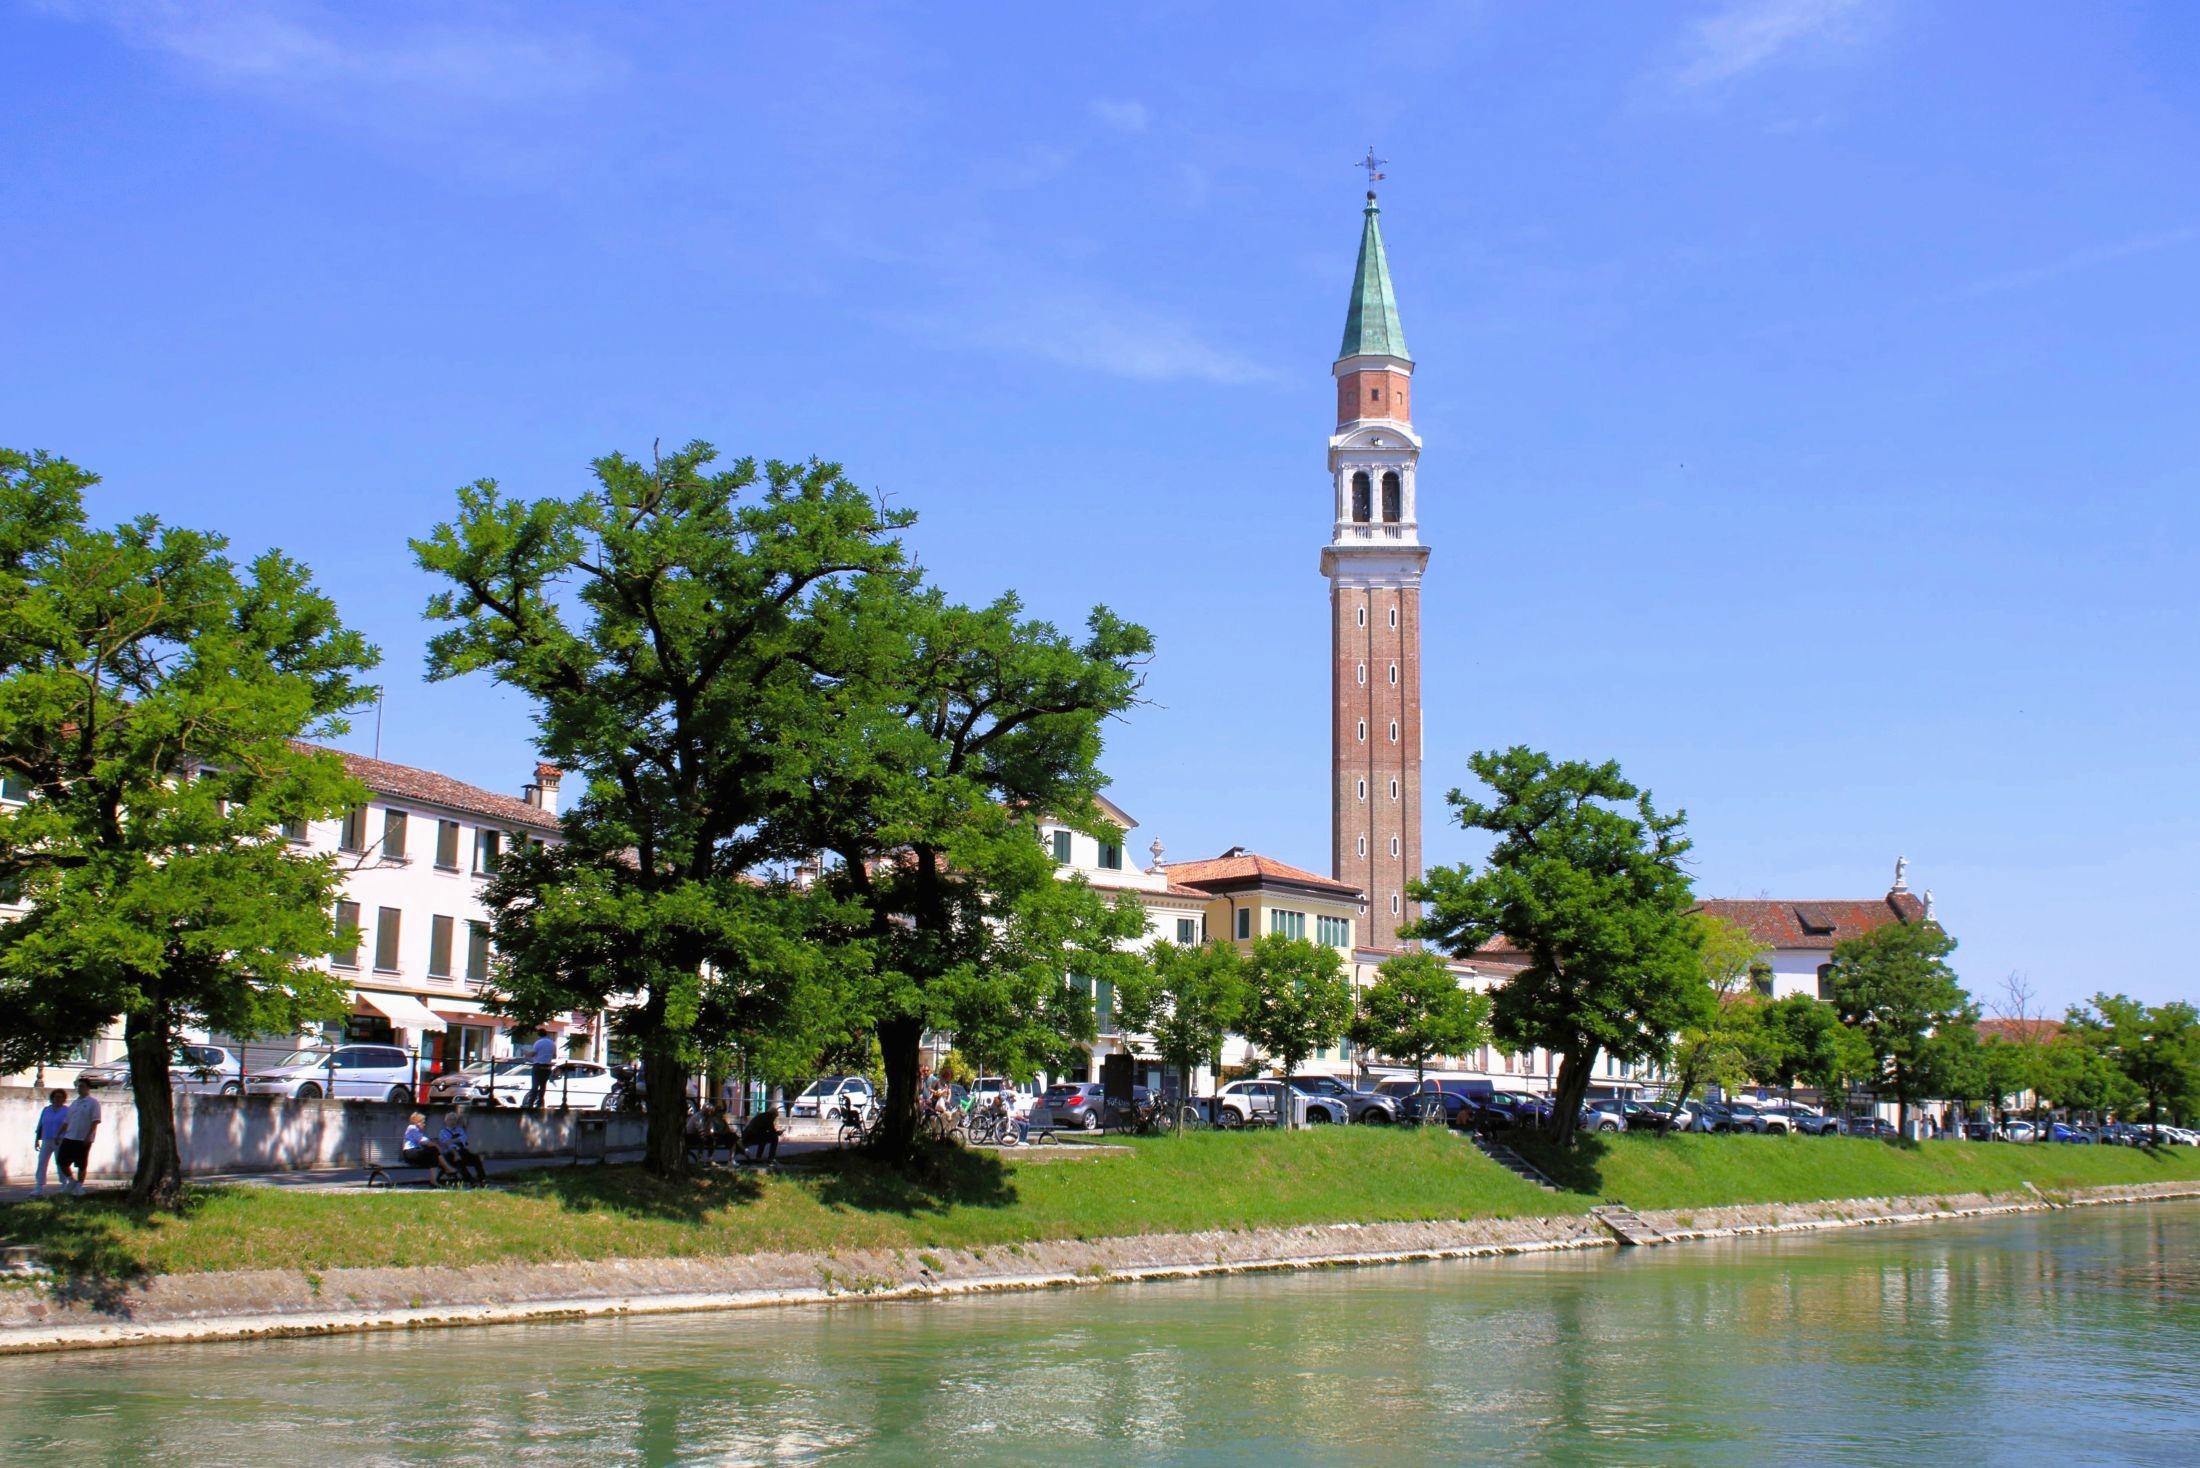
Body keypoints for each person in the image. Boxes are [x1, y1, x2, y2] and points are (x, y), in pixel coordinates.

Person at [55, 1076, 101, 1196]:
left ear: (88, 1088)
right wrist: (59, 1134)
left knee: (81, 1163)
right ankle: (71, 1181)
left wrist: (88, 1136)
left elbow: (95, 1121)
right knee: (62, 1161)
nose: (79, 1089)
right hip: (70, 1136)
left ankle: (79, 1186)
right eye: (78, 1086)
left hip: (83, 1138)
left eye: (82, 1086)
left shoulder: (93, 1103)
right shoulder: (75, 1103)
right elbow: (67, 1121)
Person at [31, 1088, 68, 1199]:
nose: (57, 1099)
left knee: (60, 1162)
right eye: (55, 1097)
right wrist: (37, 1139)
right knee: (42, 1161)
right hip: (47, 1139)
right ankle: (39, 1187)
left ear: (64, 1099)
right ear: (52, 1098)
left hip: (60, 1140)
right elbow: (40, 1124)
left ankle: (64, 1184)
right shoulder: (46, 1110)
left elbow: (68, 1124)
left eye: (60, 1097)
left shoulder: (67, 1110)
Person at [401, 1111, 457, 1184]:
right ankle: (447, 1168)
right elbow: (425, 1141)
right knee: (433, 1149)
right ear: (417, 1122)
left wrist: (434, 1144)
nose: (424, 1124)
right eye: (423, 1122)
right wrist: (437, 1147)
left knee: (433, 1157)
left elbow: (427, 1141)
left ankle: (434, 1181)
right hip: (410, 1153)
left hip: (415, 1152)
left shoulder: (417, 1131)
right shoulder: (412, 1128)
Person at [436, 1111, 487, 1186]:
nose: (452, 1121)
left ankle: (482, 1179)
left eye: (454, 1119)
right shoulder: (443, 1132)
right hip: (450, 1153)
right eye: (450, 1119)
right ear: (446, 1121)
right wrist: (457, 1141)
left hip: (462, 1151)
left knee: (476, 1158)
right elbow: (447, 1144)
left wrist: (452, 1140)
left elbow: (464, 1139)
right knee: (459, 1161)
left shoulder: (459, 1130)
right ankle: (471, 1181)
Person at [521, 1032, 558, 1110]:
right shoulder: (552, 1043)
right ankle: (540, 1102)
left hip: (538, 1065)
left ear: (539, 1035)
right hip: (547, 1067)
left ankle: (531, 1103)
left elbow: (533, 1054)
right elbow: (554, 1055)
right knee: (543, 1085)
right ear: (546, 1034)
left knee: (535, 1085)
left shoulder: (538, 1042)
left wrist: (526, 1053)